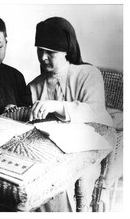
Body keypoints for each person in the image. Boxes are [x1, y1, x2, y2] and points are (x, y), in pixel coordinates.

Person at [28, 17, 114, 211]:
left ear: (67, 50)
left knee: (61, 186)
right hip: (50, 155)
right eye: (39, 51)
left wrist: (57, 106)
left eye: (50, 52)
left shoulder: (88, 74)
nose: (43, 57)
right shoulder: (34, 86)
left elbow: (96, 112)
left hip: (88, 150)